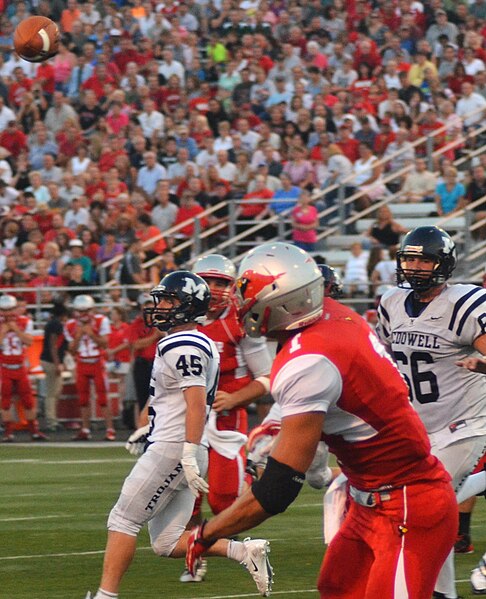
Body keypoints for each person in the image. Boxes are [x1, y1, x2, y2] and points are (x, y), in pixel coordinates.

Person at [184, 241, 457, 599]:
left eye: (246, 293)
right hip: (368, 498)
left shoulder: (307, 361)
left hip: (407, 503)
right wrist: (275, 424)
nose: (240, 302)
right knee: (336, 588)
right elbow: (332, 390)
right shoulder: (334, 315)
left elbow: (277, 490)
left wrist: (206, 534)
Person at [86, 271, 273, 599]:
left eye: (169, 300)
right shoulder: (195, 340)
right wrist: (156, 430)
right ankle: (243, 552)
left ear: (187, 305)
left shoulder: (181, 342)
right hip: (180, 445)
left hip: (175, 447)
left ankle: (105, 596)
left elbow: (195, 401)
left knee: (123, 519)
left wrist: (186, 450)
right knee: (167, 542)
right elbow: (175, 400)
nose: (160, 306)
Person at [376, 226, 486, 599]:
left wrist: (482, 365)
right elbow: (385, 361)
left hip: (466, 422)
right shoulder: (390, 303)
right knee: (431, 511)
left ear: (444, 263)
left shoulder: (464, 304)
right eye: (410, 258)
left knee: (425, 504)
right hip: (419, 424)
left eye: (425, 259)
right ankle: (442, 593)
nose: (416, 267)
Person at [64, 295, 115, 441]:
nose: (82, 314)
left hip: (98, 362)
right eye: (80, 311)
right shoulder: (70, 325)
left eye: (85, 311)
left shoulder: (101, 321)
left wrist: (91, 333)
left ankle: (110, 429)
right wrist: (79, 335)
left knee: (103, 398)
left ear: (92, 309)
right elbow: (72, 349)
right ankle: (85, 429)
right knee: (83, 399)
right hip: (82, 363)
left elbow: (105, 343)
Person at [0, 294, 48, 442]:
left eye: (10, 309)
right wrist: (3, 331)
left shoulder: (24, 321)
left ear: (15, 308)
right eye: (4, 310)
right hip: (4, 366)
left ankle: (34, 430)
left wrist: (15, 330)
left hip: (20, 366)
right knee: (5, 401)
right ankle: (9, 432)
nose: (7, 313)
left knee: (28, 400)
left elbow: (28, 341)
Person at [39, 301, 69, 432]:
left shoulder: (51, 323)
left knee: (55, 391)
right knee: (52, 392)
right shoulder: (56, 325)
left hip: (48, 360)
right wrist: (58, 363)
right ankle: (51, 421)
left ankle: (52, 419)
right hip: (51, 361)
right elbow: (53, 345)